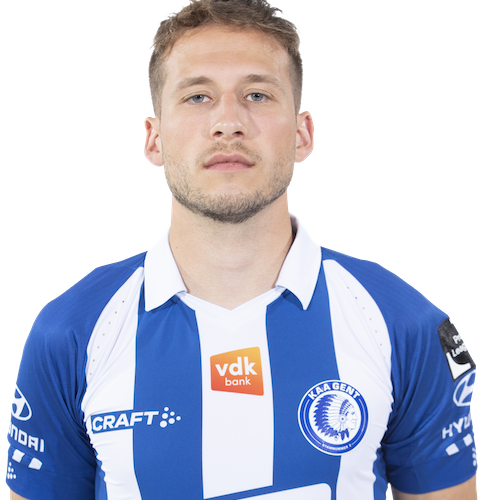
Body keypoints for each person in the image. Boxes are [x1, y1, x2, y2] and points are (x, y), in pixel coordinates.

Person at [5, 1, 478, 499]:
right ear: (154, 139)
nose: (228, 123)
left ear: (303, 135)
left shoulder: (403, 324)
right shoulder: (71, 333)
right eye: (197, 96)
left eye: (257, 94)